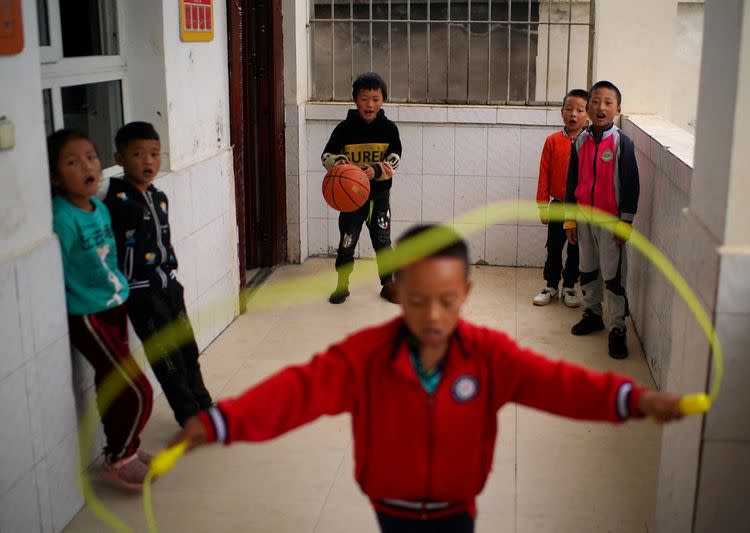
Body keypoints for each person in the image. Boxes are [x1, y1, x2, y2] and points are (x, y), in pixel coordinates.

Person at [172, 224, 683, 533]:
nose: (432, 316)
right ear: (398, 293)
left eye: (446, 301)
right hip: (389, 505)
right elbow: (298, 391)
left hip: (456, 508)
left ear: (466, 291)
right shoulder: (365, 357)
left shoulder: (488, 356)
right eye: (416, 301)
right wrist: (220, 422)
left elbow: (557, 383)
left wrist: (632, 400)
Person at [48, 129, 153, 490]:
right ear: (55, 177)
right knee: (139, 390)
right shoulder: (62, 218)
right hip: (88, 314)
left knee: (111, 384)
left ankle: (123, 449)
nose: (86, 166)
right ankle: (120, 456)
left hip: (114, 304)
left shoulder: (99, 210)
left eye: (91, 157)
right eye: (72, 162)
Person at [104, 122, 213, 426]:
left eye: (154, 153)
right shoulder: (113, 200)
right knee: (168, 359)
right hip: (141, 293)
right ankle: (190, 418)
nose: (148, 161)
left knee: (188, 349)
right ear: (119, 159)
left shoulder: (158, 196)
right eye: (138, 154)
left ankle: (204, 405)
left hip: (169, 285)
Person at [564, 81, 640, 359]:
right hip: (584, 220)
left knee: (613, 276)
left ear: (618, 110)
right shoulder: (581, 141)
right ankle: (593, 313)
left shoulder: (623, 143)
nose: (601, 107)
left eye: (608, 102)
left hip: (611, 223)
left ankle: (618, 328)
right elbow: (572, 182)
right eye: (595, 101)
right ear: (588, 109)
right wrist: (570, 220)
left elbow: (631, 185)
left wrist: (626, 221)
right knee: (588, 269)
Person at [321, 72, 402, 305]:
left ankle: (388, 284)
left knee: (383, 242)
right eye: (365, 99)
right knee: (347, 243)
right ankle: (342, 284)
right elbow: (326, 155)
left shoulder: (389, 129)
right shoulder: (344, 129)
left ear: (382, 101)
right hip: (351, 201)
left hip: (379, 197)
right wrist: (340, 164)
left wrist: (376, 170)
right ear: (355, 100)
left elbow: (396, 158)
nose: (370, 104)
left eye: (375, 99)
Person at [533, 88, 589, 308]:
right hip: (557, 204)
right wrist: (542, 206)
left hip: (579, 208)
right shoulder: (552, 141)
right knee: (554, 247)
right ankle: (551, 286)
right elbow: (544, 174)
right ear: (562, 112)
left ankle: (569, 287)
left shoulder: (590, 144)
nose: (573, 114)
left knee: (575, 248)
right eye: (569, 109)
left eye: (579, 110)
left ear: (587, 115)